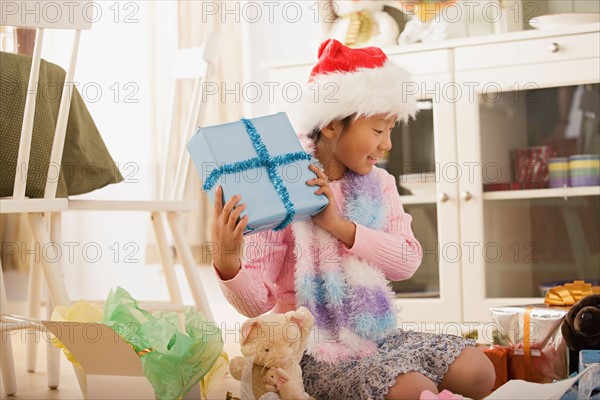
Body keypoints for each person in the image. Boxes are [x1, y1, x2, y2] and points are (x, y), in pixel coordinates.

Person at [211, 39, 495, 400]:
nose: (388, 143)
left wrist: (337, 225)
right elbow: (258, 305)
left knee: (479, 370)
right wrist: (227, 260)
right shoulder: (282, 186)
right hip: (312, 350)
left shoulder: (380, 184)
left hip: (378, 336)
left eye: (391, 129)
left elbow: (407, 261)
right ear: (330, 125)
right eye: (378, 130)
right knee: (414, 388)